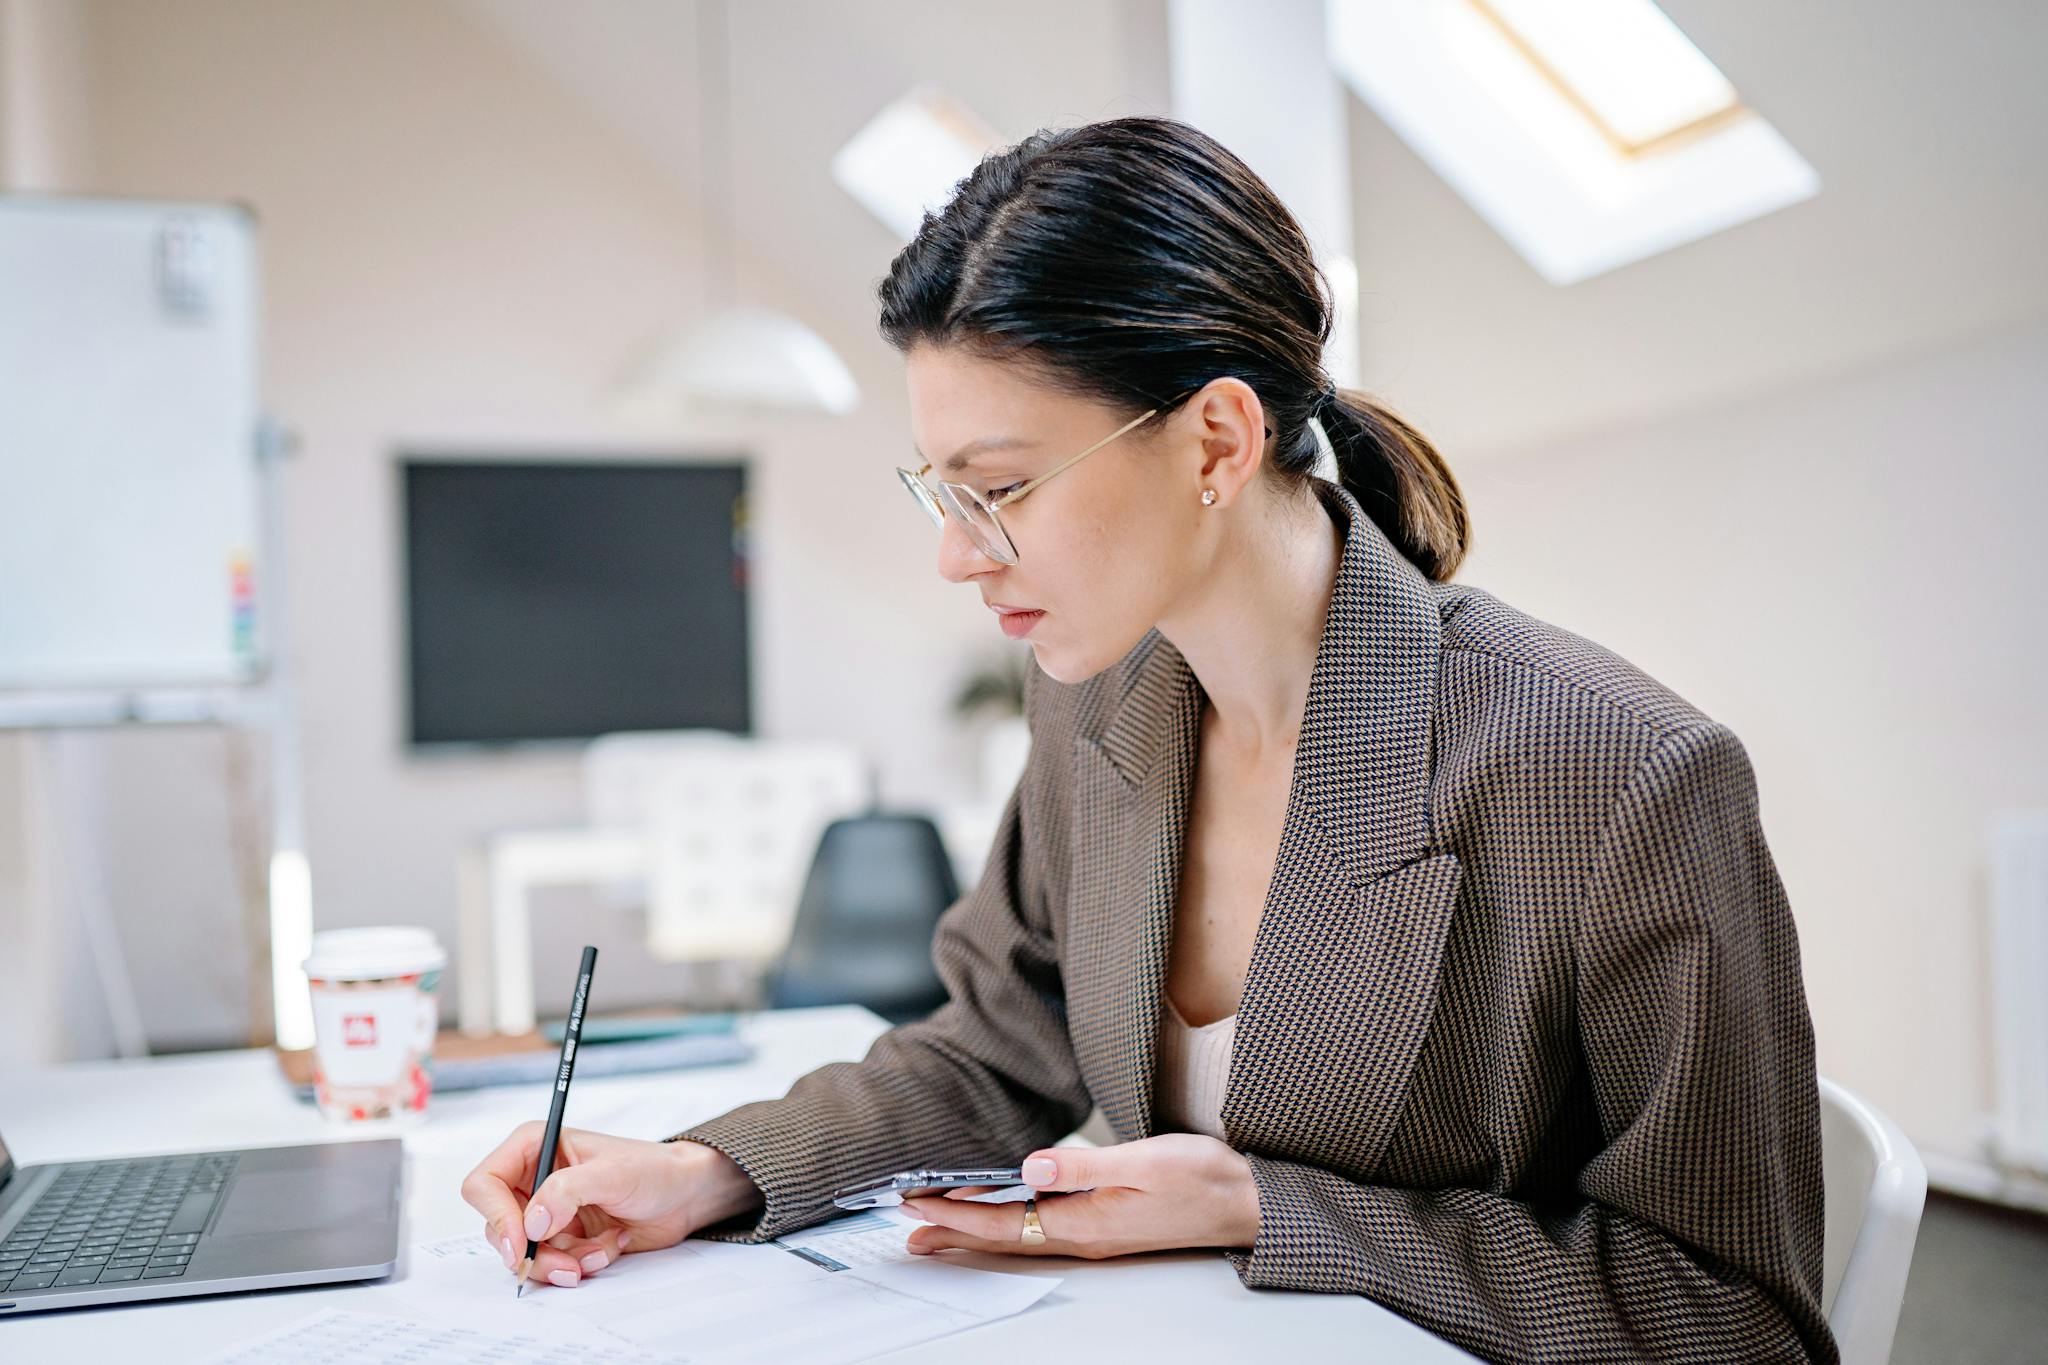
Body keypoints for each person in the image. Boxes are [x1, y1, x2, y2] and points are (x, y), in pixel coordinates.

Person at [462, 115, 1836, 1364]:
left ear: (1217, 441)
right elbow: (999, 1048)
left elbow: (1733, 1316)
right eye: (940, 491)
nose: (956, 555)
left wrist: (1269, 1210)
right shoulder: (1097, 694)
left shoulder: (1614, 774)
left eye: (1002, 487)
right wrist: (703, 1171)